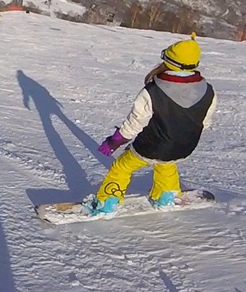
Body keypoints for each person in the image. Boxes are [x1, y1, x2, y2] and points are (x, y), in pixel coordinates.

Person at [87, 33, 216, 214]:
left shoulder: (152, 91)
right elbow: (205, 122)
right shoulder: (208, 90)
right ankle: (165, 197)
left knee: (122, 167)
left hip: (151, 146)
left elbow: (134, 123)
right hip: (184, 147)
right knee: (166, 164)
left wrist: (115, 141)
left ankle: (107, 202)